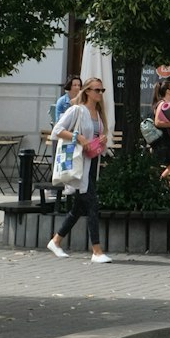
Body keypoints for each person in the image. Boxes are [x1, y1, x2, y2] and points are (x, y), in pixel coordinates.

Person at [47, 77, 112, 263]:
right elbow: (57, 130)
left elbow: (95, 137)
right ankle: (97, 251)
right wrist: (79, 138)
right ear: (88, 91)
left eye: (102, 90)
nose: (100, 93)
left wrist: (101, 140)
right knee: (92, 204)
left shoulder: (99, 114)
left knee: (79, 207)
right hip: (78, 164)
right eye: (97, 90)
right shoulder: (77, 110)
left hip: (91, 163)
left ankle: (56, 240)